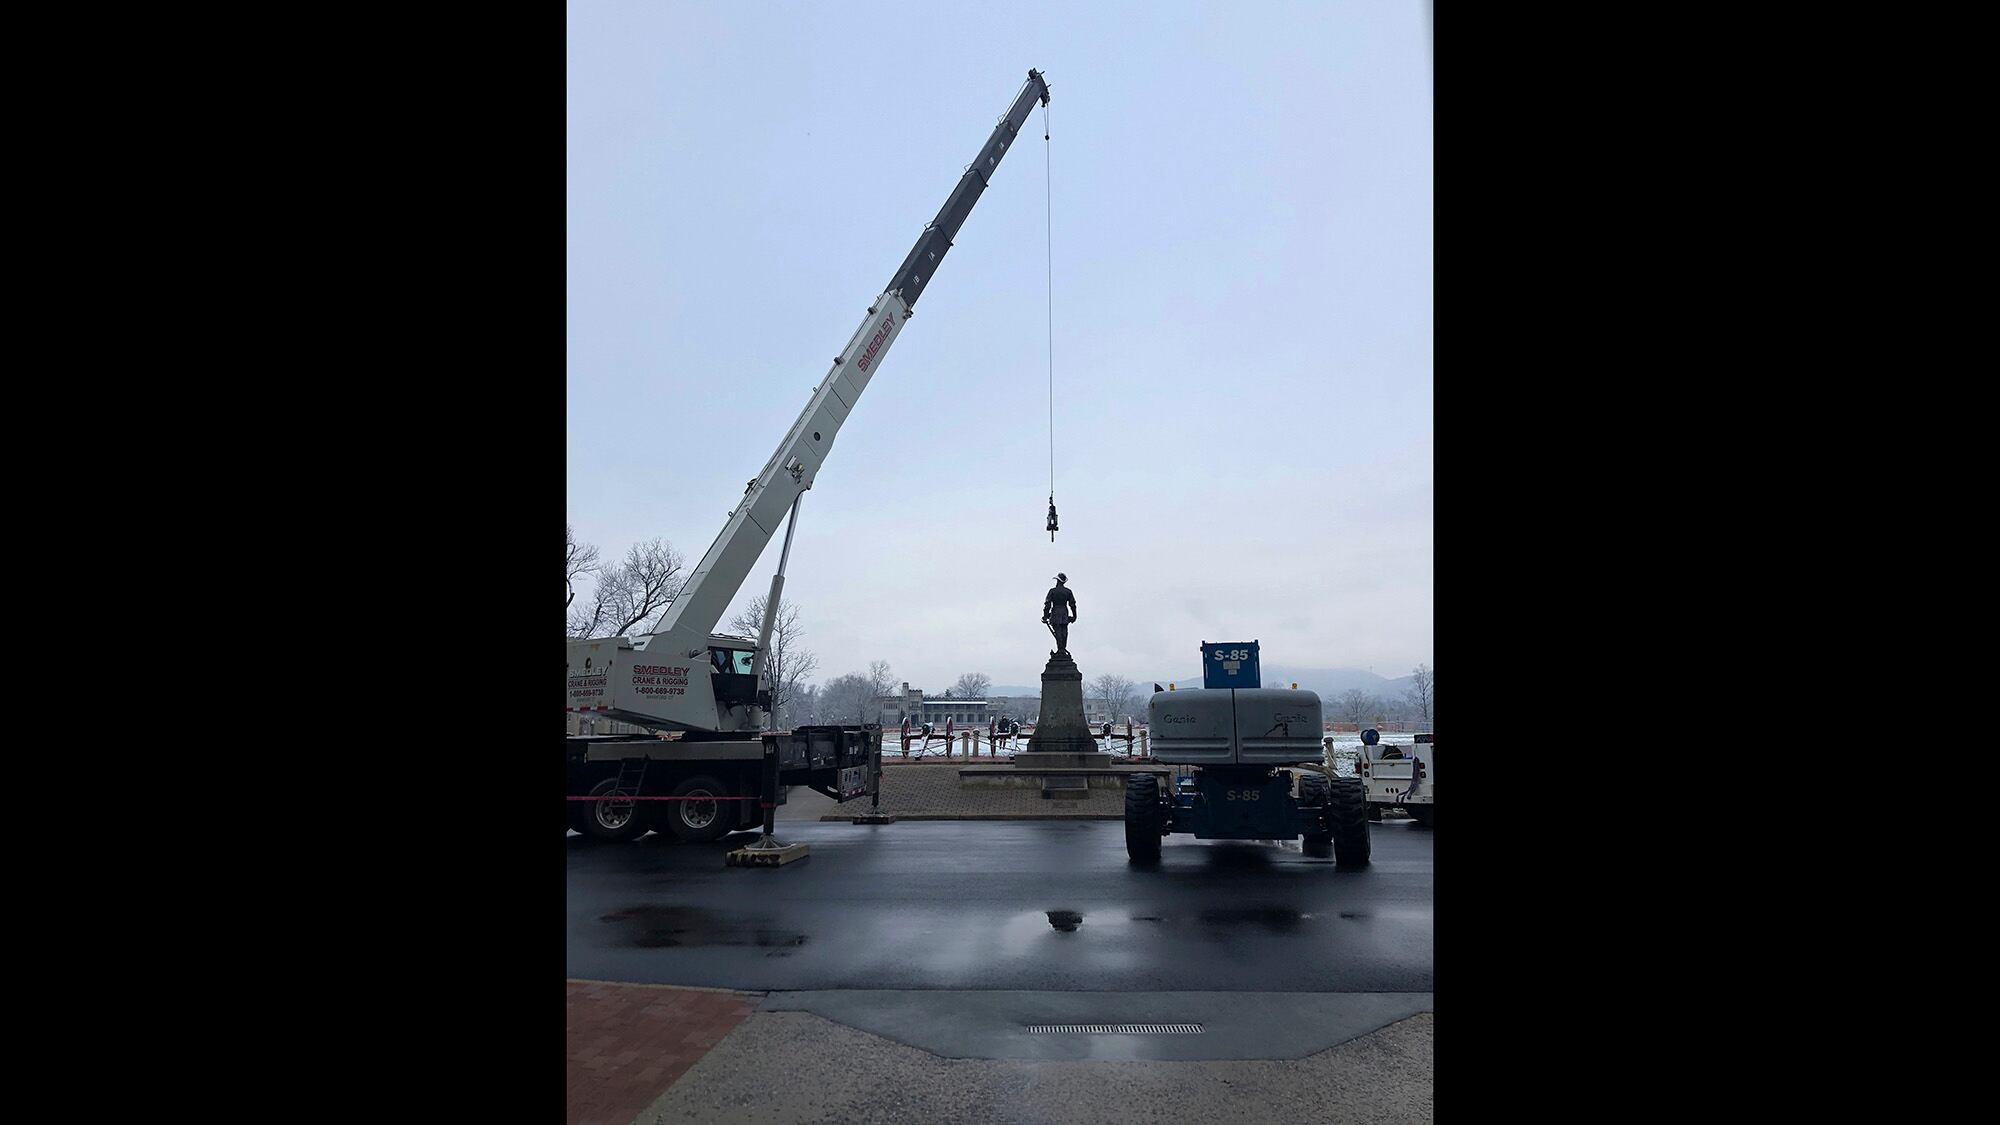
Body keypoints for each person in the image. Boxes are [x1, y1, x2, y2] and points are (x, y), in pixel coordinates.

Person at [1041, 573, 1077, 654]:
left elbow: (1047, 604)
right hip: (1064, 612)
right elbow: (1072, 605)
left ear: (1057, 580)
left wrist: (1045, 615)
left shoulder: (1052, 591)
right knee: (1064, 631)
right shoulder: (1068, 591)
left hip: (1055, 613)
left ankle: (1061, 649)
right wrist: (1075, 616)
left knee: (1058, 631)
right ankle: (1062, 648)